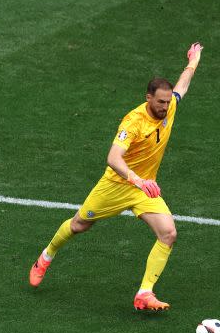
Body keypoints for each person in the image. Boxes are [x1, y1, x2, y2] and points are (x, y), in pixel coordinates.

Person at [29, 42, 204, 310]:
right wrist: (138, 180)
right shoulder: (133, 122)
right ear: (148, 98)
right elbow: (113, 158)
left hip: (145, 189)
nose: (165, 106)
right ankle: (45, 256)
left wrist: (192, 62)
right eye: (160, 102)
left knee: (168, 233)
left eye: (167, 102)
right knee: (79, 225)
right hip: (117, 185)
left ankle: (144, 293)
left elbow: (182, 86)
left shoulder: (169, 107)